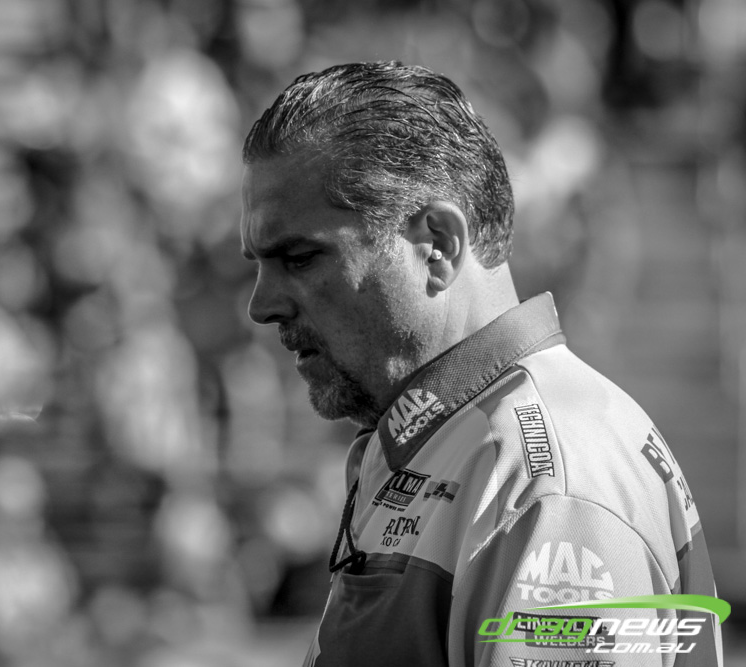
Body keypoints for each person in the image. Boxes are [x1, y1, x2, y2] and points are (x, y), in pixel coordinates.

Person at [239, 62, 723, 666]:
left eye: (300, 258)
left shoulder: (546, 485)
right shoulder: (454, 441)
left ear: (438, 244)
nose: (261, 305)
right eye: (257, 264)